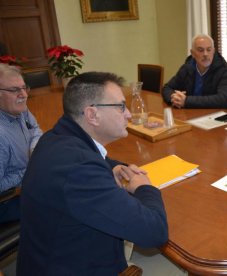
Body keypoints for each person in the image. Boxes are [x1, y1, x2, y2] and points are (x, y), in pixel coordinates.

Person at [17, 72, 168, 275]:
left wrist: (112, 166)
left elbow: (90, 157)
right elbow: (155, 233)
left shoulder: (54, 138)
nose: (129, 114)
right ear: (92, 115)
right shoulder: (80, 171)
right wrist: (145, 187)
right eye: (121, 107)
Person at [0, 63, 42, 223]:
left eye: (24, 88)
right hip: (8, 202)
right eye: (14, 90)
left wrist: (34, 148)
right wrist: (31, 169)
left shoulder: (20, 109)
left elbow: (36, 129)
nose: (24, 95)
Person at [162, 34, 227, 109]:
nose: (205, 54)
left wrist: (186, 101)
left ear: (213, 51)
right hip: (191, 113)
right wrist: (174, 99)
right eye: (201, 50)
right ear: (192, 53)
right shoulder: (187, 67)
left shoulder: (224, 69)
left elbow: (223, 99)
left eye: (209, 50)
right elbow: (167, 87)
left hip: (216, 115)